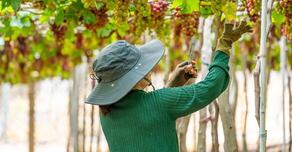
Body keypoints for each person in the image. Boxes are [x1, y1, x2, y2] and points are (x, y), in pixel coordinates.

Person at [85, 21, 252, 152]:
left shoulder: (106, 111)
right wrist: (224, 45)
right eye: (144, 67)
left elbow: (150, 114)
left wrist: (174, 83)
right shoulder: (159, 103)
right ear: (135, 77)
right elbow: (210, 87)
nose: (149, 69)